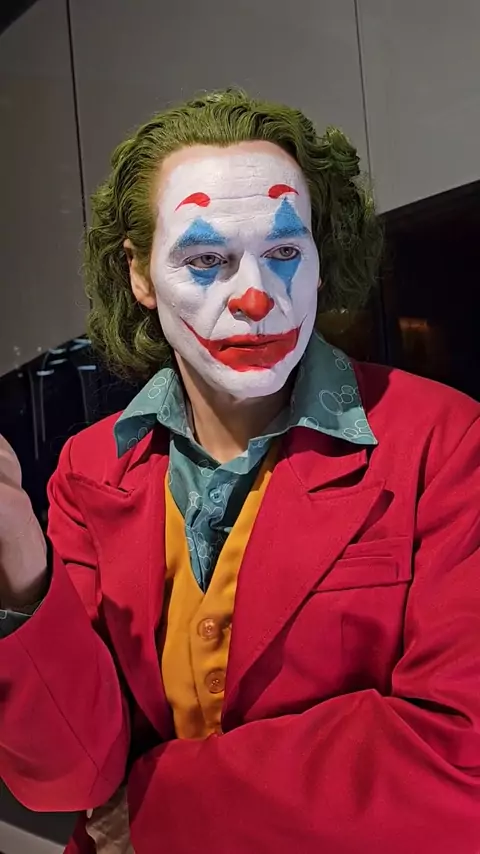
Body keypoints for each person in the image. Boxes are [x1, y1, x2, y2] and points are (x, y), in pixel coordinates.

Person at [1, 89, 479, 854]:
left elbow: (461, 754)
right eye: (205, 260)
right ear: (140, 275)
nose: (256, 297)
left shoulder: (443, 443)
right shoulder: (91, 469)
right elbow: (68, 779)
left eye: (285, 252)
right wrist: (22, 574)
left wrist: (165, 802)